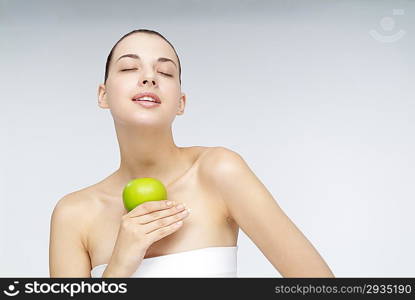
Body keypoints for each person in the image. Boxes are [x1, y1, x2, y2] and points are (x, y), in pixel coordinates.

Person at [49, 29, 335, 278]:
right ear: (103, 95)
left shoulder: (219, 171)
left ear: (181, 103)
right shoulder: (73, 215)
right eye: (128, 68)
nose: (149, 77)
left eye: (165, 72)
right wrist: (119, 267)